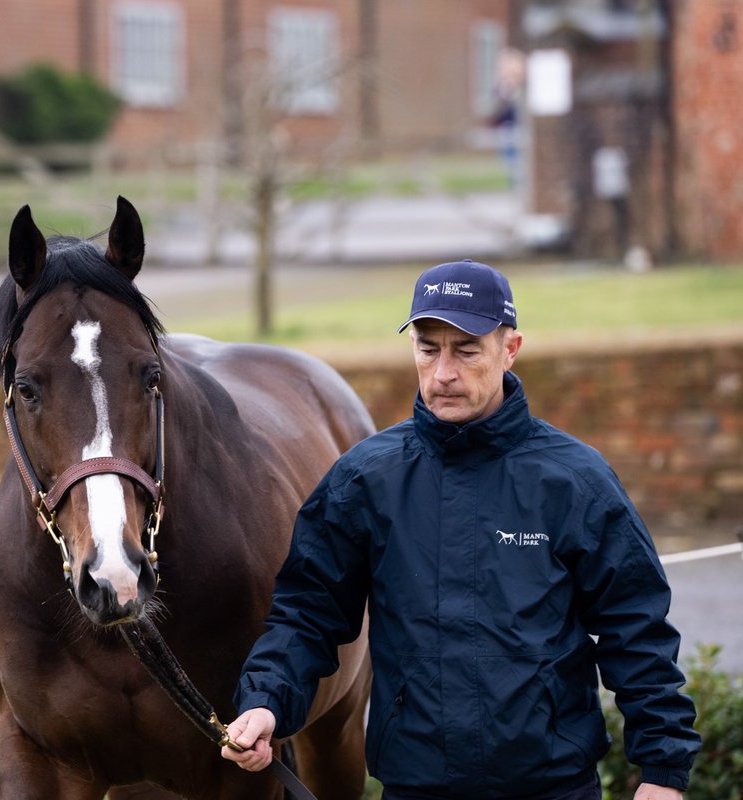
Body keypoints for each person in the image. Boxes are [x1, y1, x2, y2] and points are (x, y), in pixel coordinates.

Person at [221, 260, 700, 799]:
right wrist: (264, 702)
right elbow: (306, 614)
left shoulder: (574, 481)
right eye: (429, 348)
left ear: (510, 348)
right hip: (416, 784)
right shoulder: (364, 481)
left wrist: (663, 772)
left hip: (554, 787)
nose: (444, 372)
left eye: (466, 350)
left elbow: (636, 631)